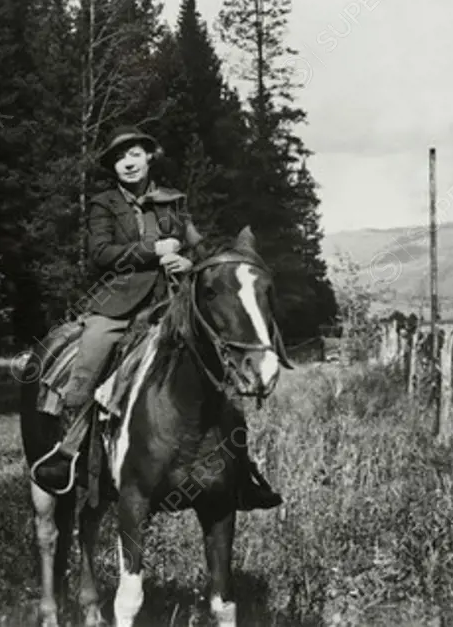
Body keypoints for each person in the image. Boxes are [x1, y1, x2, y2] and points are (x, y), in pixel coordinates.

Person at [39, 124, 282, 510]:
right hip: (117, 302)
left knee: (218, 367)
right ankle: (67, 454)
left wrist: (188, 261)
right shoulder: (104, 203)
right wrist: (152, 249)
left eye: (134, 154)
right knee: (91, 355)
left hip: (171, 299)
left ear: (149, 157)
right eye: (119, 158)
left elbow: (199, 249)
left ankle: (241, 468)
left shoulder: (173, 201)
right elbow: (100, 253)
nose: (127, 163)